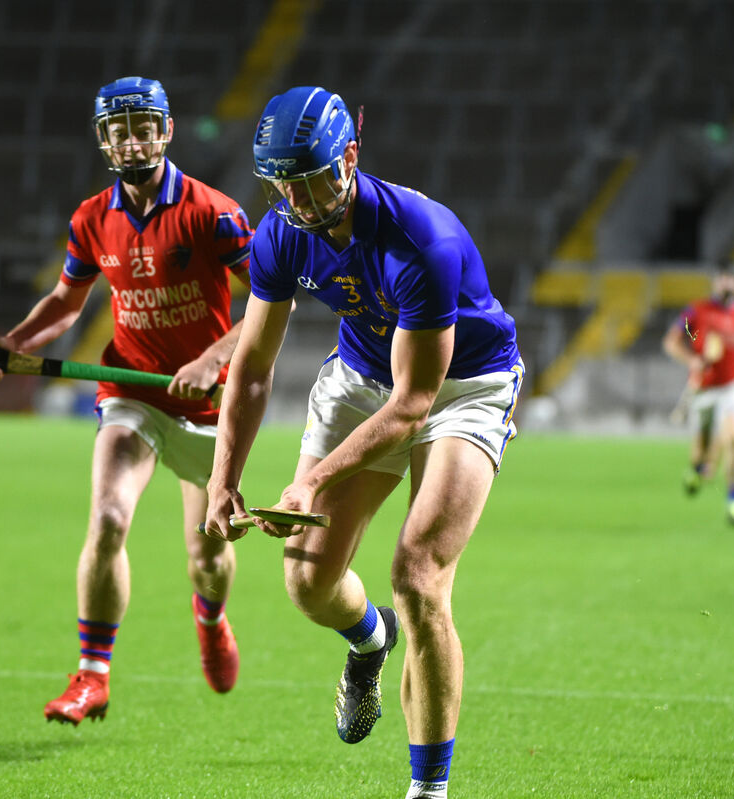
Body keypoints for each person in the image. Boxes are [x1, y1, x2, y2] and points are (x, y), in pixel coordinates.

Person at [201, 86, 523, 799]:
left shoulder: (423, 240)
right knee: (307, 583)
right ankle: (371, 641)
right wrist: (225, 477)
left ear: (349, 157)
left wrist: (309, 482)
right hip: (359, 376)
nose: (300, 199)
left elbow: (414, 405)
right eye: (282, 182)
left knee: (419, 575)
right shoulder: (281, 231)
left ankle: (428, 790)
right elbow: (251, 368)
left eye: (312, 178)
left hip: (463, 387)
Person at [0, 76, 254, 723]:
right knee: (107, 518)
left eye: (143, 126)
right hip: (131, 390)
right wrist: (15, 343)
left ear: (167, 131)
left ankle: (209, 618)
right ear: (104, 139)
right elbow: (68, 303)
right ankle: (92, 675)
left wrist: (214, 358)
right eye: (119, 129)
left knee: (206, 556)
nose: (132, 140)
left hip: (207, 404)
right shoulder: (91, 217)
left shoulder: (215, 212)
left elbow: (269, 301)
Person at [662, 263, 734, 525]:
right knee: (702, 452)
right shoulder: (696, 311)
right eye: (725, 278)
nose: (729, 284)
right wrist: (691, 358)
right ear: (717, 281)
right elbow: (674, 339)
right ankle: (695, 469)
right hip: (704, 387)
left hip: (732, 387)